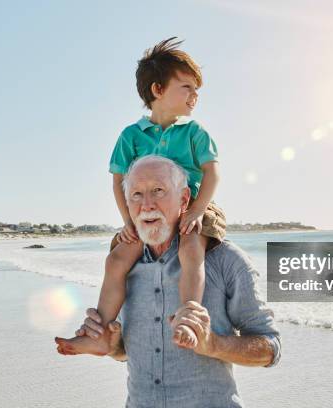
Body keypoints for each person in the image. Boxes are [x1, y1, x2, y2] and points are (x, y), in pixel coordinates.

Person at [55, 156, 281, 407]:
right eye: (136, 195)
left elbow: (270, 349)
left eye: (158, 191)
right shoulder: (122, 266)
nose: (147, 204)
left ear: (184, 199)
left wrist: (213, 344)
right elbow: (125, 354)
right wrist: (112, 345)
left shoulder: (225, 259)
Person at [56, 36, 224, 352]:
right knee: (118, 258)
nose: (194, 95)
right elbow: (118, 182)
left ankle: (189, 316)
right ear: (157, 90)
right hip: (147, 212)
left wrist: (198, 211)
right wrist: (127, 222)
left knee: (191, 247)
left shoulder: (195, 133)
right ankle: (98, 333)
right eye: (186, 87)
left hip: (194, 206)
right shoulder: (131, 136)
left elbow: (212, 174)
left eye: (197, 90)